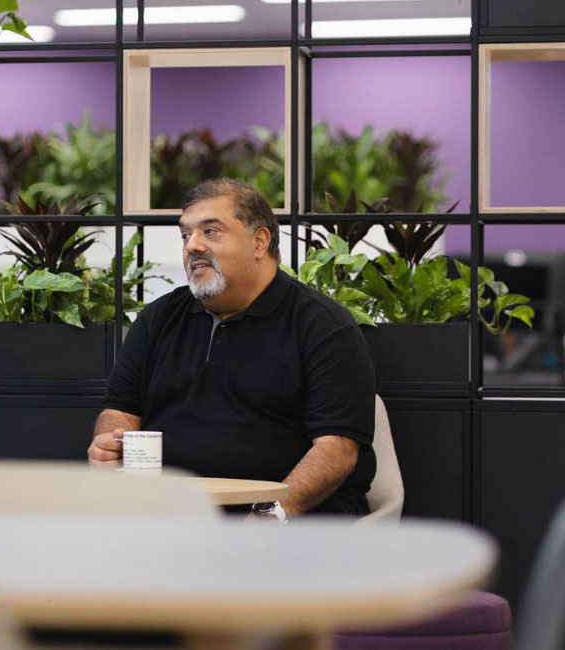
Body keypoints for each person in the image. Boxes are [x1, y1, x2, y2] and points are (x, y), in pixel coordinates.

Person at [86, 179, 376, 518]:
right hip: (173, 513)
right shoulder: (159, 318)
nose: (192, 246)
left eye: (210, 231)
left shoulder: (323, 326)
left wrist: (270, 514)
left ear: (259, 241)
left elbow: (336, 450)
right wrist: (110, 442)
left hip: (291, 519)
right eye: (185, 235)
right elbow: (120, 409)